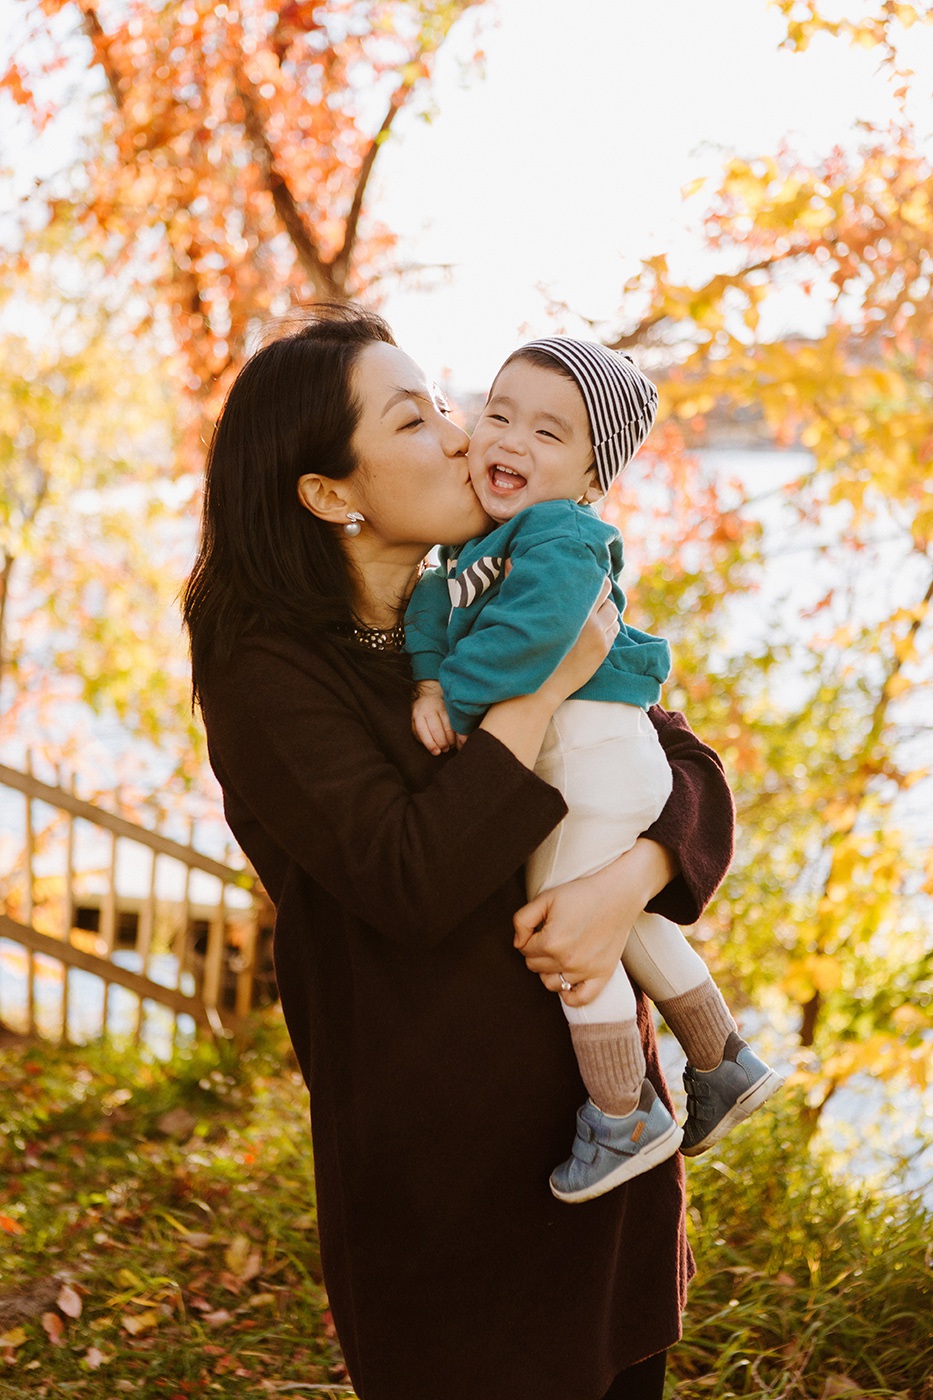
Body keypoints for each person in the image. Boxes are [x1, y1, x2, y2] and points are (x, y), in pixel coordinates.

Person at [184, 305, 737, 1400]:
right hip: (448, 1182)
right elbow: (412, 877)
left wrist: (624, 882)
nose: (459, 431)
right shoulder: (269, 673)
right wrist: (531, 698)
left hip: (609, 1143)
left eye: (443, 399)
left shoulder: (504, 581)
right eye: (412, 417)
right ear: (330, 493)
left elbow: (695, 779)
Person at [405, 339, 782, 1203]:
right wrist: (427, 674)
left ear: (587, 476)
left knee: (569, 938)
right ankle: (721, 1055)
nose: (511, 441)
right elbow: (432, 614)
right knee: (616, 912)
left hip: (590, 754)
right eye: (498, 414)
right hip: (589, 763)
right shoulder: (464, 558)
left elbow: (539, 634)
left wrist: (451, 700)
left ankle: (621, 1116)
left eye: (548, 432)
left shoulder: (563, 535)